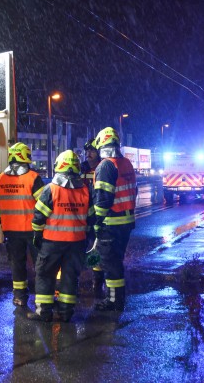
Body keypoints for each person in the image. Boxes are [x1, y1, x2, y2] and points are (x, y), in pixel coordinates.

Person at [27, 150, 93, 322]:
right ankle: (65, 313)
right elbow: (92, 218)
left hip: (52, 242)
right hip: (77, 242)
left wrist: (37, 235)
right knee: (70, 276)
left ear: (58, 166)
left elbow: (38, 217)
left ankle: (44, 312)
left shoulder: (51, 190)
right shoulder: (85, 191)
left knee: (45, 274)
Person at [91, 127, 137, 312]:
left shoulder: (105, 166)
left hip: (111, 223)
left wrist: (97, 223)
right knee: (116, 261)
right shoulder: (126, 163)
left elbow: (103, 199)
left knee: (111, 264)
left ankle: (114, 301)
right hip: (125, 222)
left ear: (101, 144)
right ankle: (117, 298)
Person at [0, 142, 45, 306]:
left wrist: (4, 223)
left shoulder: (0, 179)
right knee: (40, 264)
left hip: (11, 230)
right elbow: (44, 205)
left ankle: (19, 296)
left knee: (17, 263)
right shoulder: (33, 178)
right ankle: (42, 297)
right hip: (32, 230)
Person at [80, 138, 105, 296]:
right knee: (78, 247)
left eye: (92, 151)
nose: (88, 153)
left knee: (96, 248)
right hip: (81, 214)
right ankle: (75, 277)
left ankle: (97, 280)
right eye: (87, 151)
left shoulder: (103, 167)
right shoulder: (80, 168)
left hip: (96, 214)